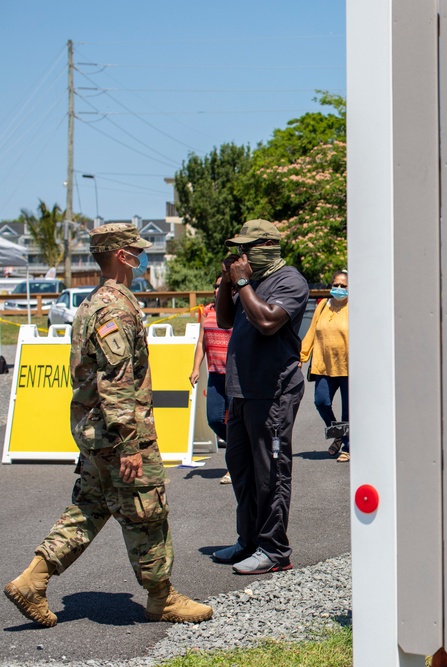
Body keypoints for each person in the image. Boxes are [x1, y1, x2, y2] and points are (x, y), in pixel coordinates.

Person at [3, 223, 213, 627]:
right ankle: (162, 597)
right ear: (120, 255)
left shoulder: (96, 302)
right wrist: (130, 445)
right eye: (136, 249)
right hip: (118, 434)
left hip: (97, 432)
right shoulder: (114, 307)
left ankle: (34, 580)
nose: (142, 256)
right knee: (146, 510)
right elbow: (115, 384)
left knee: (90, 507)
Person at [211, 219, 309, 575]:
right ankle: (249, 540)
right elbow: (224, 320)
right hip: (242, 390)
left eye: (247, 249)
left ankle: (274, 549)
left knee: (271, 472)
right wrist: (227, 283)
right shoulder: (250, 282)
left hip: (273, 391)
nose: (241, 256)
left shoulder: (290, 281)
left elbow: (268, 322)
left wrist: (241, 282)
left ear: (268, 245)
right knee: (241, 469)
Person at [299, 270, 350, 461]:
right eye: (335, 285)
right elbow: (312, 332)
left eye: (343, 286)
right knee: (321, 402)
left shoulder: (355, 307)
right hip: (324, 365)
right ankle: (338, 434)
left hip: (347, 366)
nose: (338, 289)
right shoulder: (322, 306)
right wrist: (302, 356)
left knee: (348, 410)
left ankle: (347, 446)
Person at [190, 273, 233, 483]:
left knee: (235, 421)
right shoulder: (207, 311)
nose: (218, 290)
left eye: (222, 286)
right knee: (214, 419)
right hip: (215, 374)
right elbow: (201, 342)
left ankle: (234, 466)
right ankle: (240, 447)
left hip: (236, 376)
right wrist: (195, 368)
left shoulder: (238, 311)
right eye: (216, 286)